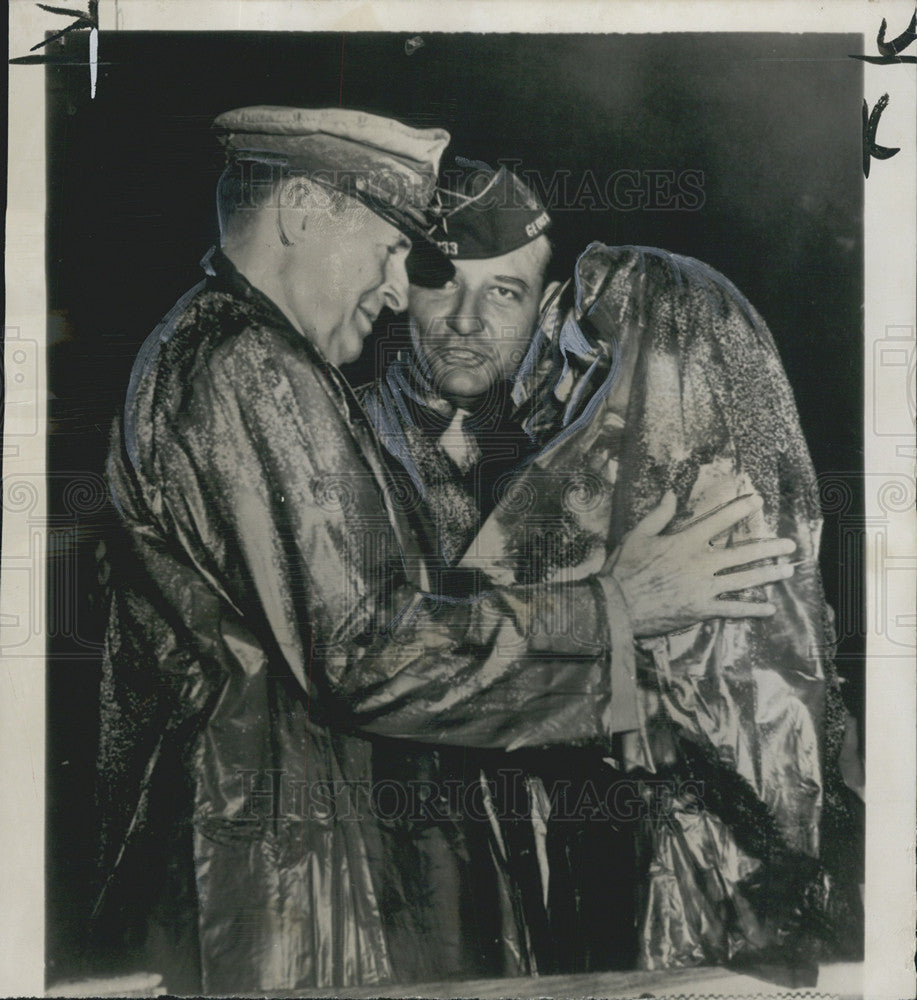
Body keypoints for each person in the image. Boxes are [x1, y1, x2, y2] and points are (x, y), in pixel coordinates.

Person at [94, 108, 797, 994]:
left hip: (319, 860)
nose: (398, 290)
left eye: (500, 291)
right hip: (287, 882)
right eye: (400, 255)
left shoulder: (233, 353)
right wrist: (618, 607)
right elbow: (365, 654)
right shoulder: (251, 364)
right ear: (306, 208)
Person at [363, 162, 863, 977]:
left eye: (503, 293)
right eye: (438, 284)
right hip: (404, 873)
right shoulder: (345, 442)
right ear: (392, 290)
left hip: (578, 875)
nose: (464, 321)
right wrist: (614, 608)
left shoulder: (593, 459)